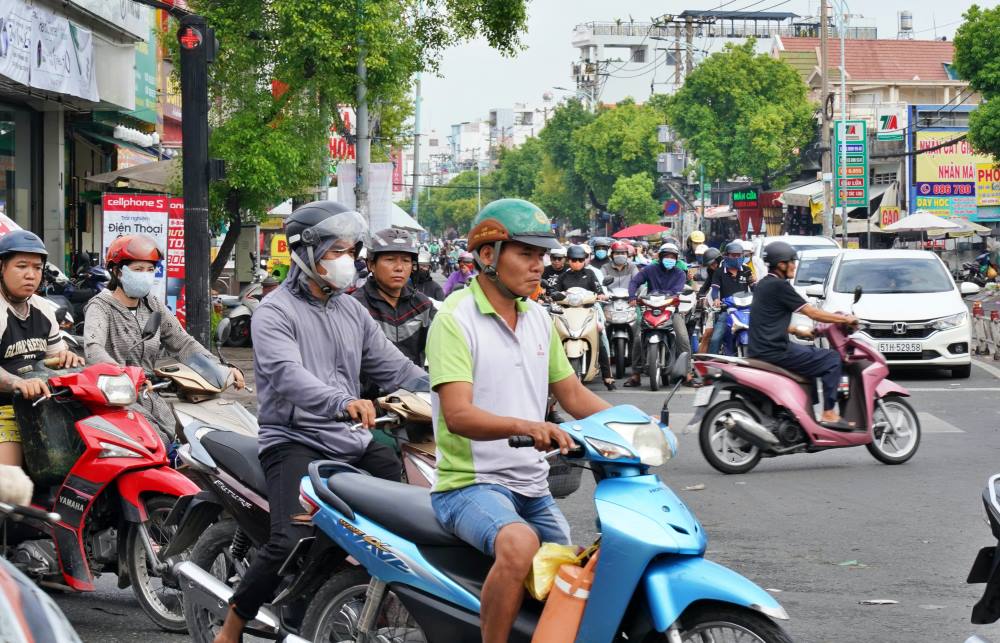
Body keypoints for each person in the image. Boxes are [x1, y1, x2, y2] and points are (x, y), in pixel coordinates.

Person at [215, 202, 427, 643]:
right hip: (294, 439)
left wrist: (446, 391)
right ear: (306, 252)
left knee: (405, 519)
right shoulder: (275, 311)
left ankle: (312, 600)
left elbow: (395, 367)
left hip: (352, 439)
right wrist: (343, 402)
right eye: (337, 251)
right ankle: (234, 622)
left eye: (351, 251)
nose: (346, 261)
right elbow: (286, 376)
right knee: (290, 536)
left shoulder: (352, 312)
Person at [427, 198, 611, 643]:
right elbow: (459, 414)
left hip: (532, 485)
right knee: (520, 545)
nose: (539, 266)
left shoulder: (538, 319)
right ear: (487, 255)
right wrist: (527, 426)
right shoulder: (454, 320)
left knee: (572, 573)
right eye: (526, 254)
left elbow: (572, 394)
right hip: (467, 485)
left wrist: (634, 425)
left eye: (542, 256)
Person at [84, 234, 240, 441]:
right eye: (138, 269)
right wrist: (125, 377)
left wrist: (221, 368)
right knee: (158, 443)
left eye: (150, 269)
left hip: (150, 395)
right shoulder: (100, 307)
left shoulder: (152, 304)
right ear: (117, 272)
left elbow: (183, 342)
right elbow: (93, 349)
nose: (145, 275)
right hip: (116, 398)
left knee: (184, 439)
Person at [748, 241, 858, 426]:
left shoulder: (763, 285)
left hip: (760, 349)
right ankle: (829, 413)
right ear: (781, 264)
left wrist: (798, 330)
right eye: (792, 261)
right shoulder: (780, 286)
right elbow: (812, 312)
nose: (794, 265)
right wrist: (845, 319)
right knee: (831, 359)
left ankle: (805, 414)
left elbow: (767, 320)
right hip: (775, 350)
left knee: (810, 354)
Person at [0, 231, 84, 467]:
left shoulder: (43, 309)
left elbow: (53, 356)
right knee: (10, 487)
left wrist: (65, 357)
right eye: (21, 266)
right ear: (1, 267)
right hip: (4, 408)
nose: (30, 274)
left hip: (42, 407)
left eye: (37, 267)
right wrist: (17, 382)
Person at [352, 228, 436, 366]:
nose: (399, 267)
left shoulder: (423, 306)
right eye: (390, 260)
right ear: (371, 264)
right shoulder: (356, 306)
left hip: (415, 384)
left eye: (406, 260)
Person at [624, 242, 694, 387]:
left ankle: (688, 374)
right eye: (667, 256)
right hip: (650, 309)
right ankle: (635, 375)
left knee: (683, 337)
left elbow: (678, 290)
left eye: (673, 257)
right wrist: (632, 297)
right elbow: (634, 282)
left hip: (671, 311)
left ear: (676, 259)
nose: (670, 259)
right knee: (637, 337)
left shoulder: (680, 274)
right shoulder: (650, 269)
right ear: (661, 257)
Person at [556, 246, 615, 390]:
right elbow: (554, 291)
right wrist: (550, 295)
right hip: (567, 312)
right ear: (568, 261)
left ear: (584, 261)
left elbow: (598, 290)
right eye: (573, 260)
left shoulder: (590, 274)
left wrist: (601, 295)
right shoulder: (563, 276)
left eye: (580, 260)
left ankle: (607, 376)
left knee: (600, 335)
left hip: (587, 311)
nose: (576, 262)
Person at [707, 241, 754, 354]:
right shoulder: (719, 272)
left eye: (739, 255)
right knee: (715, 339)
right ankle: (711, 365)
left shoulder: (747, 270)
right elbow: (715, 291)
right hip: (727, 310)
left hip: (745, 311)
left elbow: (753, 289)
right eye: (733, 255)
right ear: (726, 256)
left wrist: (754, 284)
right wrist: (716, 300)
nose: (737, 257)